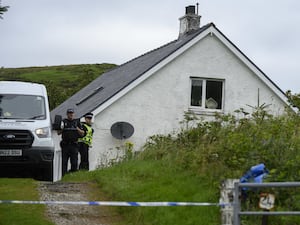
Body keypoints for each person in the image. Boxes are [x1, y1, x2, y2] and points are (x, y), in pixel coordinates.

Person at [58, 109, 85, 176]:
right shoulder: (64, 121)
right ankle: (64, 176)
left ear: (74, 114)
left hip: (74, 145)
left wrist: (77, 128)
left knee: (74, 162)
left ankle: (73, 176)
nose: (71, 114)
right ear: (67, 114)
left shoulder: (77, 122)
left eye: (72, 113)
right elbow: (58, 133)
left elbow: (82, 133)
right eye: (69, 113)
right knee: (64, 162)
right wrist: (62, 128)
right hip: (65, 145)